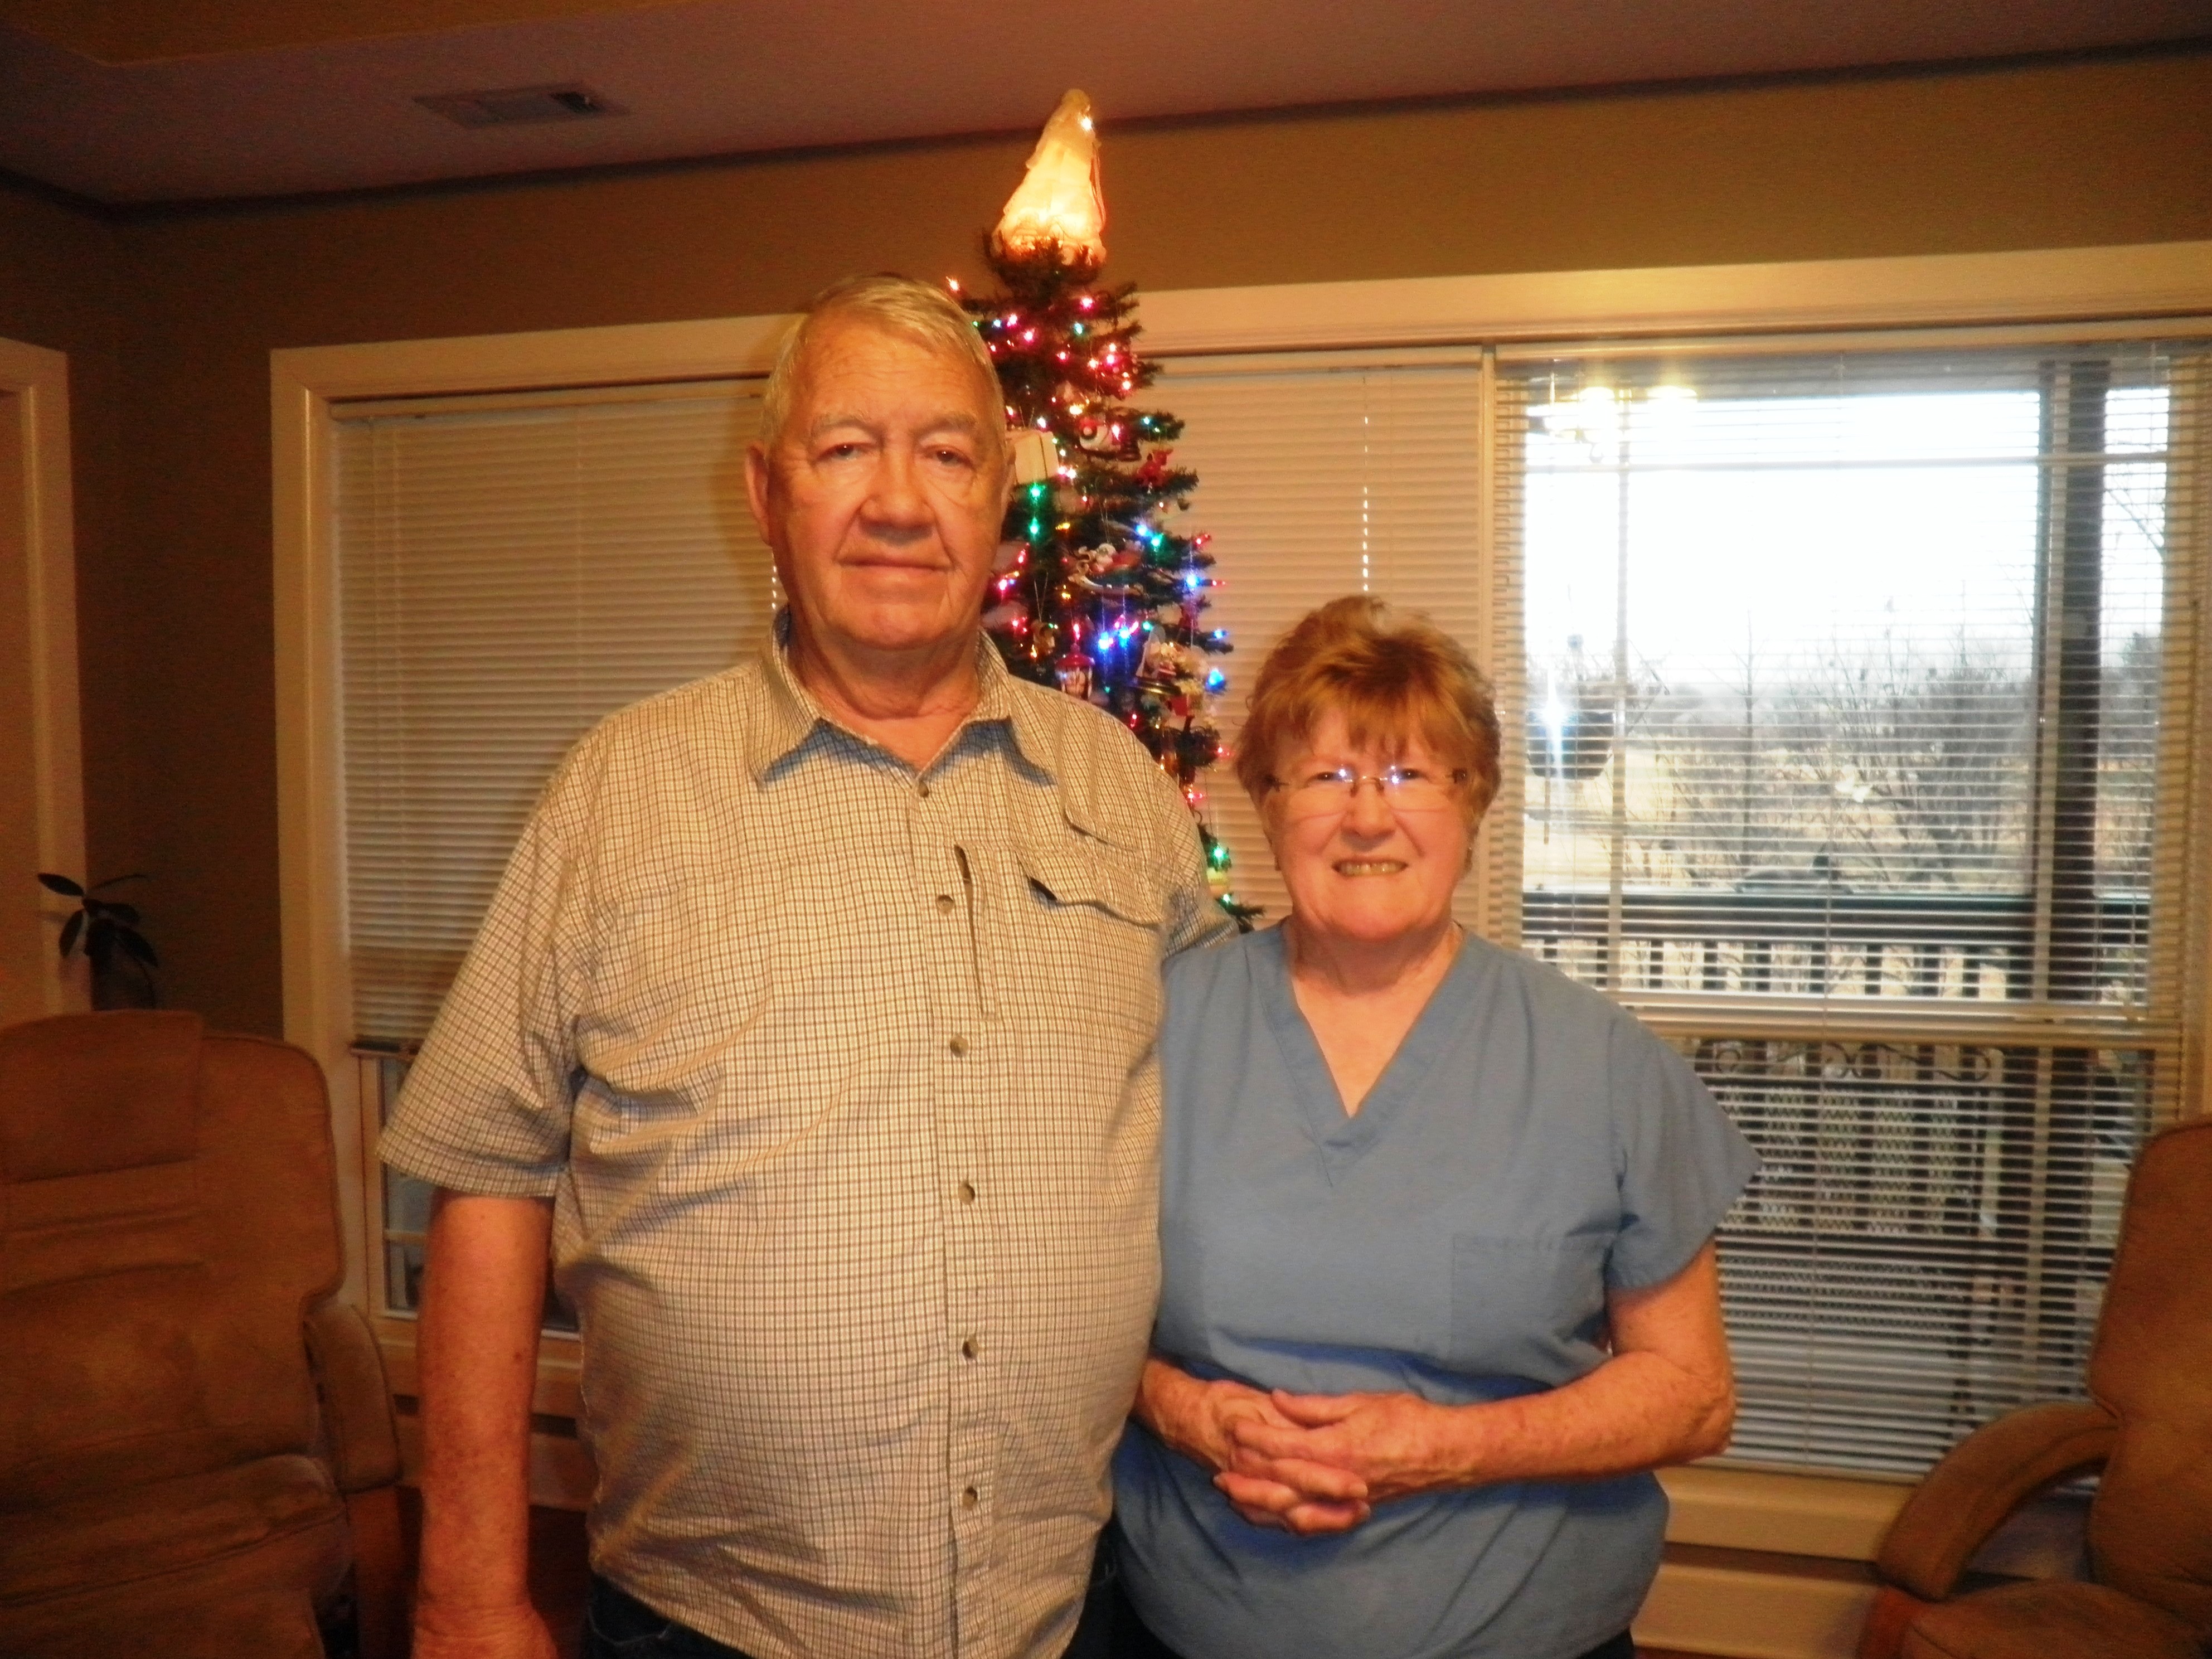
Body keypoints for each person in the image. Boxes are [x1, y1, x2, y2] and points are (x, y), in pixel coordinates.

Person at [380, 274, 1231, 1659]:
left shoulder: (1119, 790)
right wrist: (466, 1590)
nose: (897, 502)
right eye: (845, 450)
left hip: (1070, 1610)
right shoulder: (619, 795)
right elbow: (486, 1173)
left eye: (946, 454)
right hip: (708, 1625)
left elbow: (1241, 1109)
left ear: (1002, 499)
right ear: (767, 495)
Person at [1109, 595, 1758, 1659]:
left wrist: (1446, 1447)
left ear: (1474, 802)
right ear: (1266, 805)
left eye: (1411, 775)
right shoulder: (1156, 1033)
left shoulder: (1602, 1066)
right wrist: (1183, 1411)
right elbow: (1059, 1317)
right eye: (1326, 776)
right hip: (1187, 1630)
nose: (1369, 818)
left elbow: (1691, 1396)